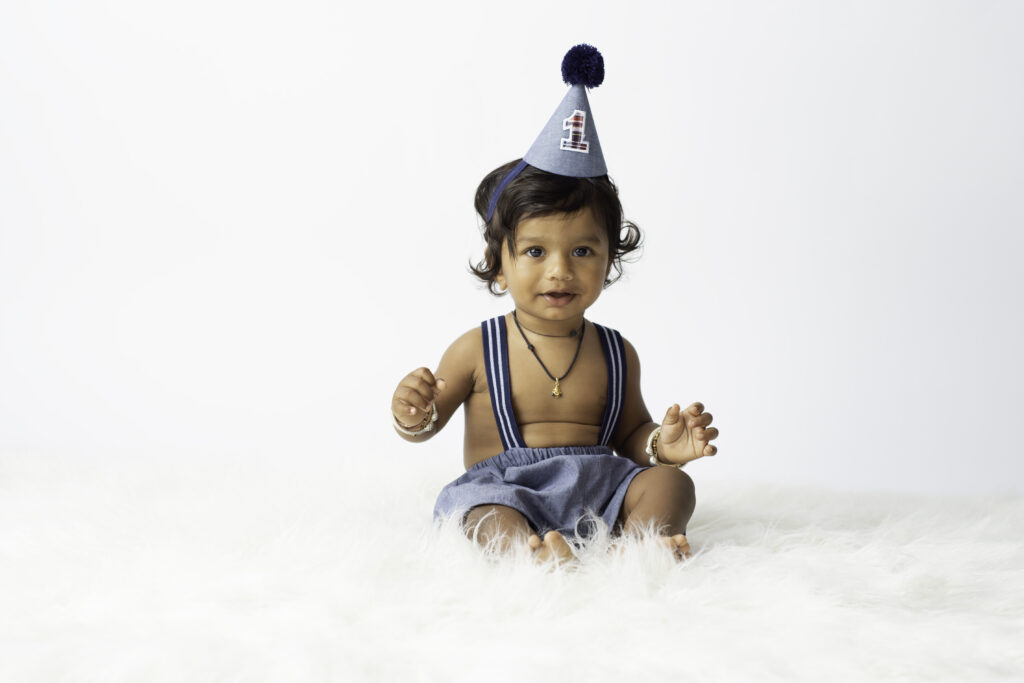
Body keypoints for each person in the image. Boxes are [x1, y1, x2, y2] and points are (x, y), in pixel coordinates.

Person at [389, 45, 719, 563]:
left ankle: (641, 543)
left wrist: (663, 445)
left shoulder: (616, 351)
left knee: (670, 485)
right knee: (479, 513)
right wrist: (414, 414)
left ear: (610, 260)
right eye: (536, 251)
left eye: (582, 251)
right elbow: (430, 423)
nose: (560, 270)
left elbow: (631, 431)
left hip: (600, 484)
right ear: (498, 263)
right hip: (507, 488)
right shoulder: (477, 348)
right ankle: (528, 552)